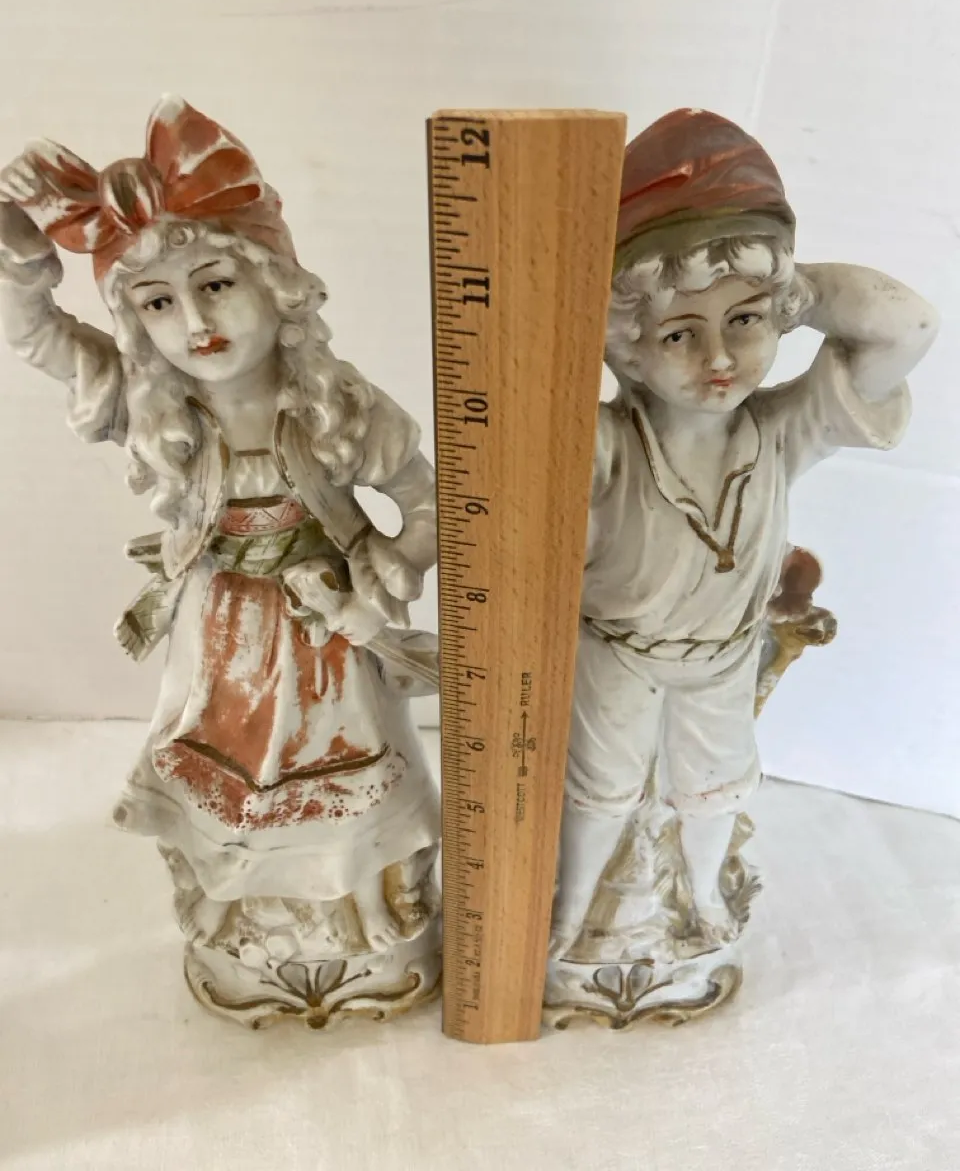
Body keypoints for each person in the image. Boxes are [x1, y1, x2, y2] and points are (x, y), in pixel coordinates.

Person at [0, 97, 441, 1025]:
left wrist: (375, 593)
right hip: (219, 640)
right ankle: (246, 914)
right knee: (231, 783)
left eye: (215, 284)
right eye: (158, 302)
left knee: (350, 771)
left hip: (324, 634)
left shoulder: (337, 406)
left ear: (275, 285)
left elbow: (428, 505)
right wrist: (21, 259)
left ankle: (365, 912)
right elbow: (40, 338)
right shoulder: (153, 407)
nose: (193, 321)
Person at [550, 108, 938, 960]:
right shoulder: (607, 443)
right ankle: (568, 914)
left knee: (716, 786)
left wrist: (785, 284)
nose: (719, 359)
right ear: (625, 343)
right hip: (615, 651)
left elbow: (907, 324)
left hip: (722, 656)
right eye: (680, 334)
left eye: (746, 322)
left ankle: (699, 897)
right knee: (597, 791)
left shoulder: (780, 430)